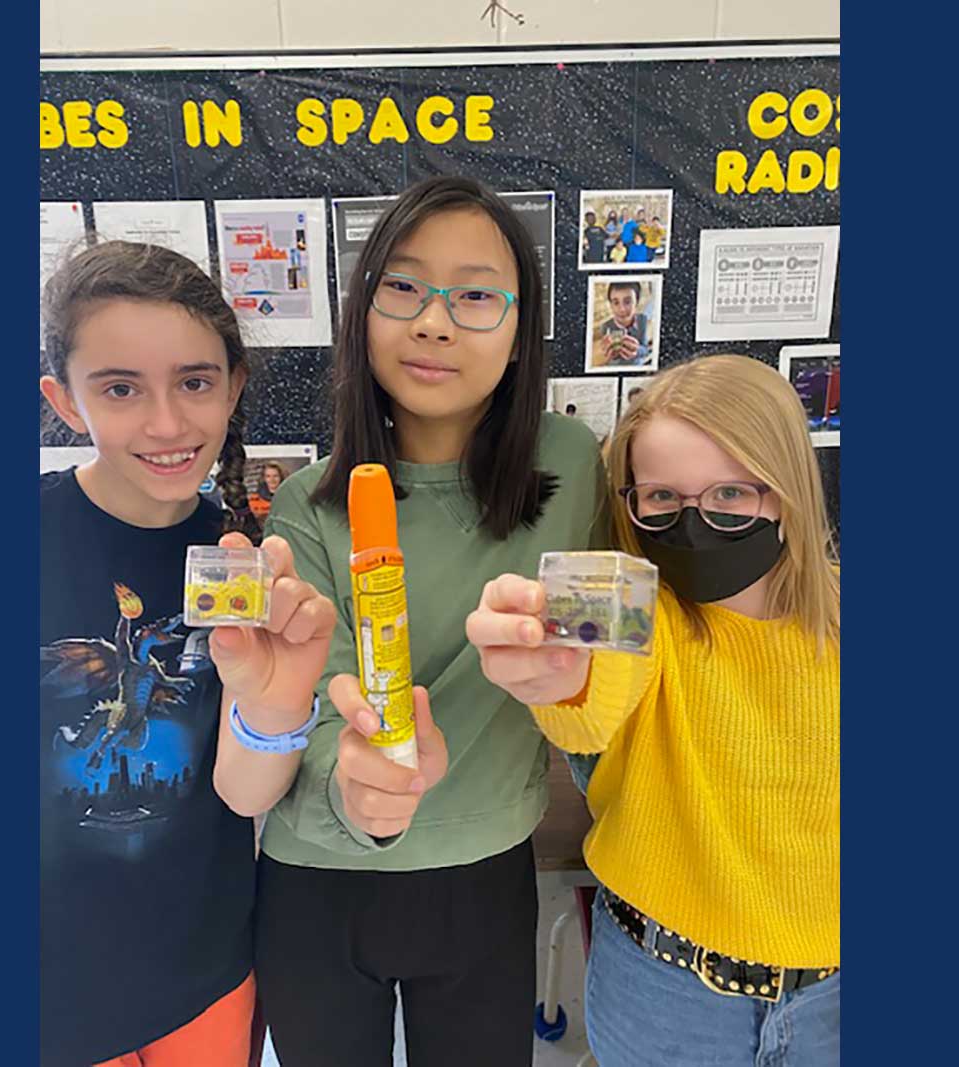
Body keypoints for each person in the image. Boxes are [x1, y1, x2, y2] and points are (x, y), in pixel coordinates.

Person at [246, 175, 605, 1067]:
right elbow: (313, 714)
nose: (434, 322)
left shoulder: (572, 467)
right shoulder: (306, 505)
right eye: (402, 286)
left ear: (521, 332)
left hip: (486, 869)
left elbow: (623, 638)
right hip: (319, 877)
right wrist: (360, 787)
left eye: (477, 294)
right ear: (361, 313)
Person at [465, 354, 841, 1066]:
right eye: (662, 499)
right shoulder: (642, 615)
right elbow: (590, 709)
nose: (694, 525)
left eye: (730, 494)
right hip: (663, 993)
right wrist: (555, 678)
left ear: (786, 489)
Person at [38, 241, 337, 1067]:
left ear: (233, 387)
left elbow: (245, 794)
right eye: (121, 388)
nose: (167, 423)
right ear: (64, 401)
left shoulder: (250, 562)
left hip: (202, 974)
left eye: (195, 382)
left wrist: (276, 704)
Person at [596, 281, 652, 366]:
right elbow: (606, 355)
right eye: (616, 303)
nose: (622, 309)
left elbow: (646, 350)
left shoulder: (642, 320)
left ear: (636, 302)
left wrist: (637, 350)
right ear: (611, 305)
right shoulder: (606, 326)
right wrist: (608, 353)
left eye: (627, 302)